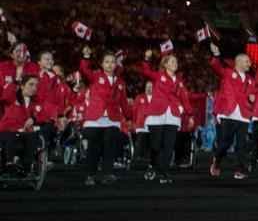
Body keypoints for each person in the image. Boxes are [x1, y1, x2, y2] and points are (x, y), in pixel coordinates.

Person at [138, 49, 191, 184]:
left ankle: (164, 173)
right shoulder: (158, 76)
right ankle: (152, 164)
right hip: (156, 114)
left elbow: (184, 98)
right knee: (156, 145)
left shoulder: (179, 81)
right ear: (165, 64)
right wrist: (146, 58)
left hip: (173, 115)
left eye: (176, 62)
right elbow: (145, 71)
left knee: (169, 145)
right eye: (172, 61)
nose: (175, 63)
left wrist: (189, 114)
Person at [79, 49, 130, 186]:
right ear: (102, 64)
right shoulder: (95, 76)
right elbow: (84, 69)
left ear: (116, 65)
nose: (110, 65)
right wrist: (86, 56)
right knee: (94, 146)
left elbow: (124, 102)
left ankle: (107, 173)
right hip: (95, 118)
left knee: (110, 144)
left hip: (112, 119)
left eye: (112, 62)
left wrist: (129, 118)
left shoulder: (120, 82)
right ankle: (90, 175)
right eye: (107, 62)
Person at [209, 47, 256, 180]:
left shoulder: (250, 80)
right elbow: (215, 66)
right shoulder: (228, 73)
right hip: (228, 113)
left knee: (241, 144)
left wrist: (252, 97)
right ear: (238, 62)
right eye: (247, 61)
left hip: (244, 115)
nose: (249, 63)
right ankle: (217, 160)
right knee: (225, 143)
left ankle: (240, 169)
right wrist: (217, 54)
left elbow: (253, 94)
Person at [0, 75, 46, 170]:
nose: (34, 88)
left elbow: (43, 115)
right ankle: (10, 162)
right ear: (22, 86)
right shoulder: (12, 98)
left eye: (36, 85)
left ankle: (26, 166)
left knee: (32, 136)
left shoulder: (36, 102)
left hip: (25, 133)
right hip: (7, 130)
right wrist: (15, 81)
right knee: (12, 135)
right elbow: (5, 95)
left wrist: (33, 119)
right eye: (31, 85)